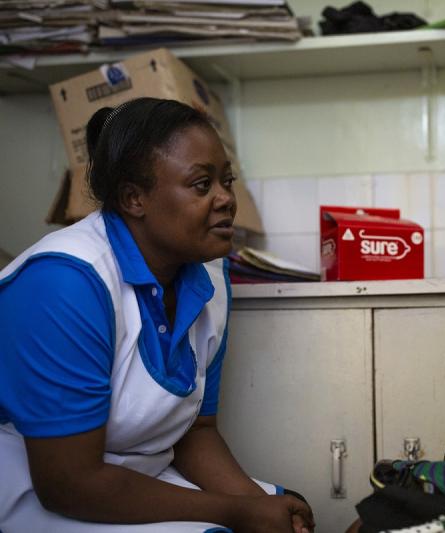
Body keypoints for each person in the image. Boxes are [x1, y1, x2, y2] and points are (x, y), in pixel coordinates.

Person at [0, 98, 315, 533]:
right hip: (33, 488)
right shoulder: (66, 281)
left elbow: (195, 431)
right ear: (134, 198)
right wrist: (236, 512)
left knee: (287, 510)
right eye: (202, 185)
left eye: (227, 181)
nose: (226, 199)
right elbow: (68, 483)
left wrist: (258, 506)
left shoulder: (209, 273)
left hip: (133, 477)